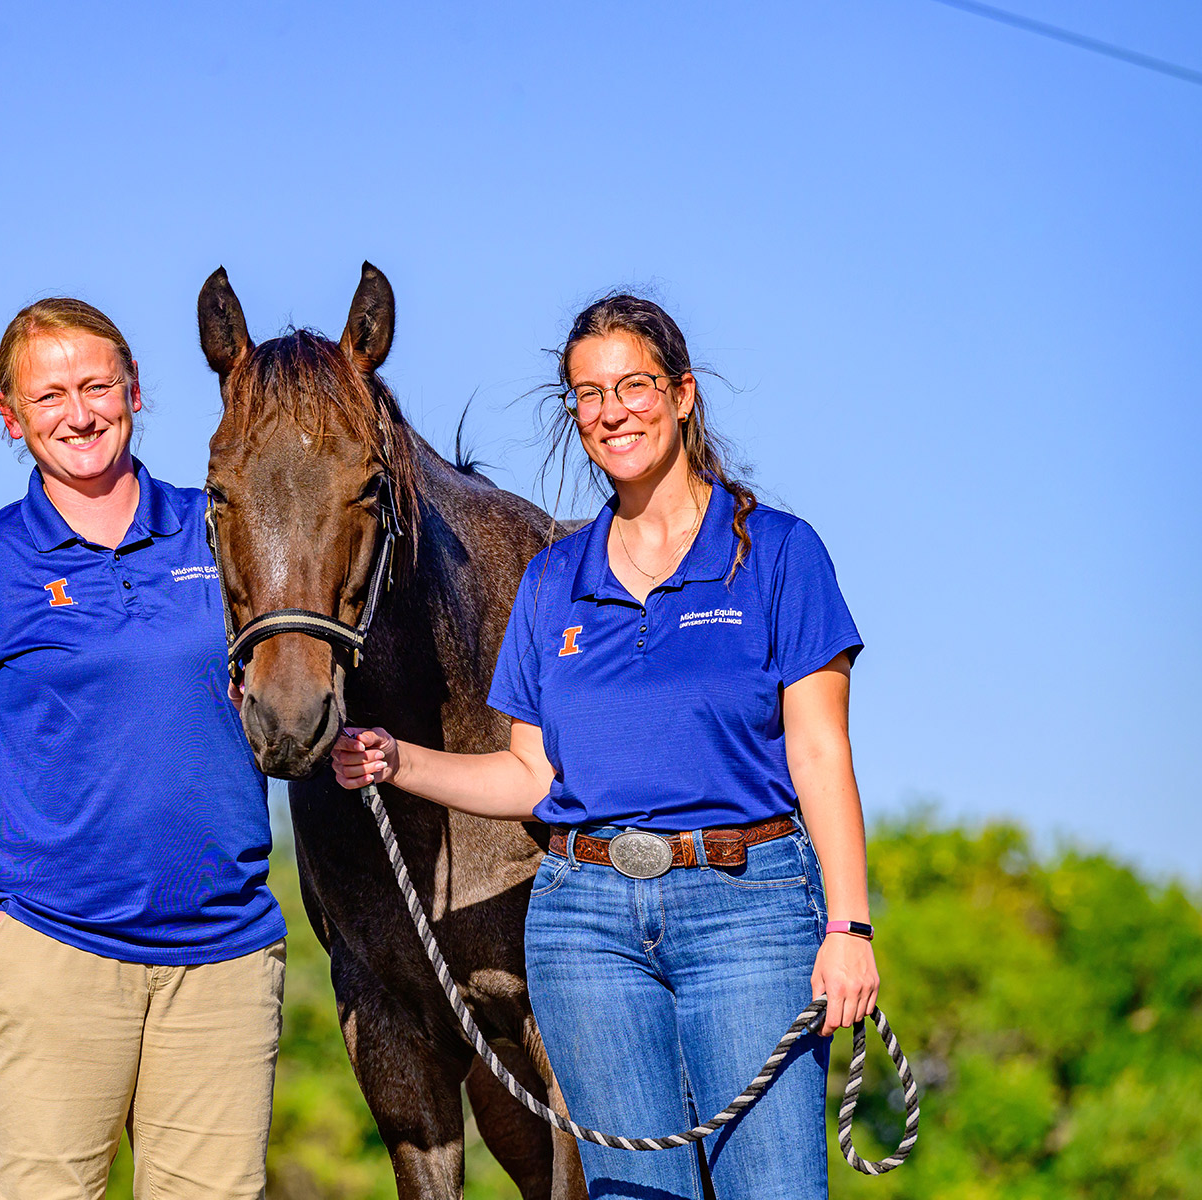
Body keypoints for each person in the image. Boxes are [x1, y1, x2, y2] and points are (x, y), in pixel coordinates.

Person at [332, 293, 879, 1200]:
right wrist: (395, 760)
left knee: (773, 1186)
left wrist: (849, 927)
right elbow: (530, 774)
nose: (612, 410)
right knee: (630, 1194)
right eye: (589, 394)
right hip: (586, 926)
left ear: (684, 394)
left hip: (748, 911)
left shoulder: (779, 554)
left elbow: (820, 753)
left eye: (634, 385)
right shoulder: (554, 580)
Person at [0, 298, 286, 1200]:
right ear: (10, 416)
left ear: (135, 392)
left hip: (222, 958)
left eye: (97, 385)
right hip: (49, 957)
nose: (80, 413)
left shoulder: (220, 532)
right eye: (50, 395)